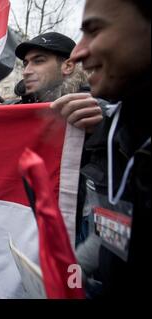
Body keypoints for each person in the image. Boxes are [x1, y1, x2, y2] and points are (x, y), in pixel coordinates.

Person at [52, 0, 150, 298]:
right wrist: (64, 281)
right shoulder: (118, 131)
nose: (79, 52)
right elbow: (111, 236)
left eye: (94, 30)